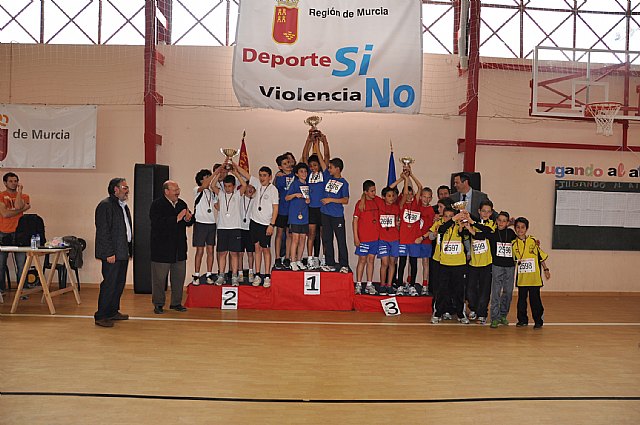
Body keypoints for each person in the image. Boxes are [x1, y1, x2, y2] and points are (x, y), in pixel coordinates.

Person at [150, 180, 194, 314]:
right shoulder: (157, 204)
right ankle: (158, 304)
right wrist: (176, 218)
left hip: (179, 249)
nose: (178, 192)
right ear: (166, 191)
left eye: (178, 189)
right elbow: (156, 223)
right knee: (159, 280)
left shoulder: (182, 204)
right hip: (161, 249)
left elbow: (189, 221)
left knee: (178, 278)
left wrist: (188, 218)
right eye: (175, 190)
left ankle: (176, 303)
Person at [93, 178, 132, 327]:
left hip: (122, 251)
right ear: (115, 189)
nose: (127, 190)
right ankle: (101, 315)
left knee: (119, 284)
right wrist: (109, 253)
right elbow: (103, 231)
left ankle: (112, 311)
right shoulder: (105, 205)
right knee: (109, 284)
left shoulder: (122, 206)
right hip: (112, 253)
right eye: (124, 187)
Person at [211, 163, 248, 286]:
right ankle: (221, 275)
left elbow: (244, 185)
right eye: (226, 186)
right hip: (222, 228)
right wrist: (219, 172)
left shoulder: (238, 195)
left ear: (234, 186)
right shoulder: (221, 194)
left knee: (234, 253)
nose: (227, 189)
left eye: (230, 186)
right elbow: (212, 185)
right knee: (222, 253)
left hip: (235, 228)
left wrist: (235, 172)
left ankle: (234, 276)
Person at [431, 207, 469, 324]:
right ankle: (438, 313)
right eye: (446, 216)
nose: (448, 218)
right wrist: (452, 219)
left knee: (459, 290)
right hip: (444, 263)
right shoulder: (441, 225)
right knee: (442, 290)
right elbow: (441, 230)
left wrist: (461, 223)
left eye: (451, 216)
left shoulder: (459, 225)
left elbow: (465, 234)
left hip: (459, 263)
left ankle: (460, 313)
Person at [512, 217, 550, 329]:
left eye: (523, 227)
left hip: (534, 278)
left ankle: (538, 320)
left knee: (535, 300)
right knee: (521, 301)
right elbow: (513, 260)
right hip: (522, 278)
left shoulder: (533, 241)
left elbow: (540, 256)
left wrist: (546, 269)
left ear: (527, 229)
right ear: (515, 228)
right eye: (518, 227)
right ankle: (522, 320)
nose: (520, 229)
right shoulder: (513, 244)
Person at [463, 200, 496, 325]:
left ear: (491, 213)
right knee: (470, 290)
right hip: (473, 263)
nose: (486, 214)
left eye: (488, 211)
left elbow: (484, 234)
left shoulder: (492, 224)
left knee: (484, 290)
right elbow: (465, 235)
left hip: (487, 264)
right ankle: (473, 309)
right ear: (479, 211)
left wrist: (472, 224)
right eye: (483, 211)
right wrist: (466, 225)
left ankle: (482, 314)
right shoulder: (474, 223)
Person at [302, 131, 330, 268]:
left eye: (315, 165)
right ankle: (310, 258)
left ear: (319, 165)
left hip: (322, 209)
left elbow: (326, 156)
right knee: (311, 233)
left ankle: (324, 258)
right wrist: (308, 141)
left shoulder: (324, 174)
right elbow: (304, 156)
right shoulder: (308, 175)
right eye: (311, 166)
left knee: (324, 234)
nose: (313, 167)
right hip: (311, 209)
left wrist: (323, 143)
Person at [317, 155, 350, 273]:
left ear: (338, 169)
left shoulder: (344, 183)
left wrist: (330, 200)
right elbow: (322, 163)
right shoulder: (327, 177)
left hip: (337, 216)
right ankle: (330, 263)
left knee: (341, 240)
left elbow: (345, 200)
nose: (329, 169)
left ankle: (344, 264)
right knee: (327, 239)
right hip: (325, 214)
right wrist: (317, 147)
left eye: (331, 167)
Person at [0, 172, 30, 294]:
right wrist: (24, 209)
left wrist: (19, 191)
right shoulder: (1, 196)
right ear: (5, 183)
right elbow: (5, 214)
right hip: (3, 232)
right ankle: (1, 290)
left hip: (19, 233)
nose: (14, 183)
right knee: (1, 264)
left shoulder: (24, 196)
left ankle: (21, 290)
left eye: (16, 181)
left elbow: (17, 206)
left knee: (22, 264)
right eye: (11, 181)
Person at [249, 166, 279, 287]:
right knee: (257, 248)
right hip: (254, 222)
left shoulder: (273, 190)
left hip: (266, 224)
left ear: (270, 177)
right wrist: (233, 166)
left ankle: (267, 275)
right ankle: (257, 274)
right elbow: (245, 175)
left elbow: (275, 208)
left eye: (265, 175)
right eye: (260, 175)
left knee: (266, 249)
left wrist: (272, 224)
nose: (262, 178)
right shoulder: (257, 184)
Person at [487, 211, 517, 328]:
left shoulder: (511, 233)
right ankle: (494, 317)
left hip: (510, 267)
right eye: (499, 220)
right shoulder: (493, 233)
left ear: (507, 222)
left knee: (508, 292)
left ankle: (503, 315)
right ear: (496, 221)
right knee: (495, 292)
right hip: (497, 266)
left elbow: (519, 241)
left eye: (504, 221)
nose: (501, 223)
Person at [353, 180, 381, 295]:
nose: (374, 193)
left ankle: (369, 284)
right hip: (364, 238)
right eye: (372, 191)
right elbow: (355, 221)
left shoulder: (377, 201)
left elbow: (389, 191)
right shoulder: (360, 203)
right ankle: (358, 284)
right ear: (366, 192)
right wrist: (356, 237)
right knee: (362, 260)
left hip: (375, 238)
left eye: (375, 190)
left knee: (371, 260)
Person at [396, 170, 422, 296]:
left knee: (413, 263)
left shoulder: (416, 204)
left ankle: (412, 285)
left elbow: (420, 187)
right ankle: (400, 285)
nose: (409, 196)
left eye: (412, 194)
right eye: (407, 194)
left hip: (414, 240)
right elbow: (405, 193)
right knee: (402, 263)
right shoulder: (401, 205)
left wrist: (411, 175)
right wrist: (406, 180)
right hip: (403, 239)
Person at [191, 169, 218, 286]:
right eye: (206, 177)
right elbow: (204, 185)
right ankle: (196, 275)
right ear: (201, 180)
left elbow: (217, 206)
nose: (209, 179)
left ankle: (209, 274)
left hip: (211, 223)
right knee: (200, 250)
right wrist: (215, 173)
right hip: (200, 223)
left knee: (210, 250)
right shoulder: (197, 190)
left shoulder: (212, 193)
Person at [285, 162, 311, 271]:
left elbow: (310, 199)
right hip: (295, 215)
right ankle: (292, 261)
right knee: (295, 238)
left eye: (305, 171)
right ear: (296, 174)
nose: (304, 173)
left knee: (303, 238)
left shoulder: (308, 185)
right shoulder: (295, 184)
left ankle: (299, 260)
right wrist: (295, 195)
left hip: (304, 215)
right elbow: (287, 198)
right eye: (301, 171)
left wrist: (308, 200)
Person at [377, 186, 400, 295]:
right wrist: (399, 180)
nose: (391, 198)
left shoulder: (396, 208)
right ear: (383, 197)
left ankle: (389, 285)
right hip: (383, 239)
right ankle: (382, 285)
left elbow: (398, 222)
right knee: (384, 262)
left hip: (394, 239)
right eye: (389, 196)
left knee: (392, 263)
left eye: (393, 196)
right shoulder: (380, 205)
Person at [273, 154, 294, 269]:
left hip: (292, 210)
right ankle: (277, 257)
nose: (288, 165)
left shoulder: (295, 176)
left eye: (288, 163)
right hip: (281, 210)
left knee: (289, 234)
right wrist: (276, 176)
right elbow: (273, 189)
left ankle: (287, 257)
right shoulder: (279, 177)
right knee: (279, 233)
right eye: (285, 164)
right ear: (280, 167)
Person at [415, 187, 435, 295]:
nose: (426, 199)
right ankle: (410, 283)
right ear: (420, 197)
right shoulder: (416, 207)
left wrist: (423, 237)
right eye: (424, 197)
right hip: (414, 239)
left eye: (428, 197)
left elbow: (432, 228)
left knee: (425, 262)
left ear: (431, 198)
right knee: (412, 261)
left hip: (425, 240)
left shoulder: (431, 210)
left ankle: (425, 285)